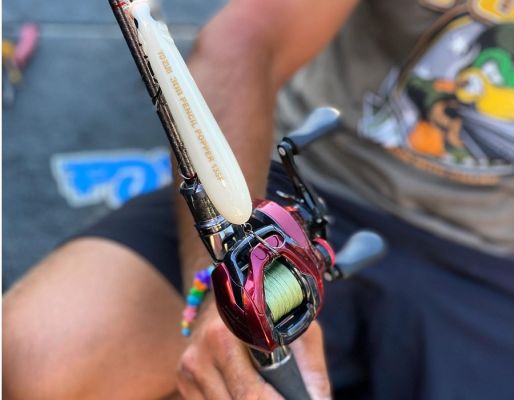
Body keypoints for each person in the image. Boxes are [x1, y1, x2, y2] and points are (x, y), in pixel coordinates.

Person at [4, 0, 514, 399]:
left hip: (493, 257)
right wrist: (217, 293)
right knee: (34, 360)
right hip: (303, 189)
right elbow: (246, 37)